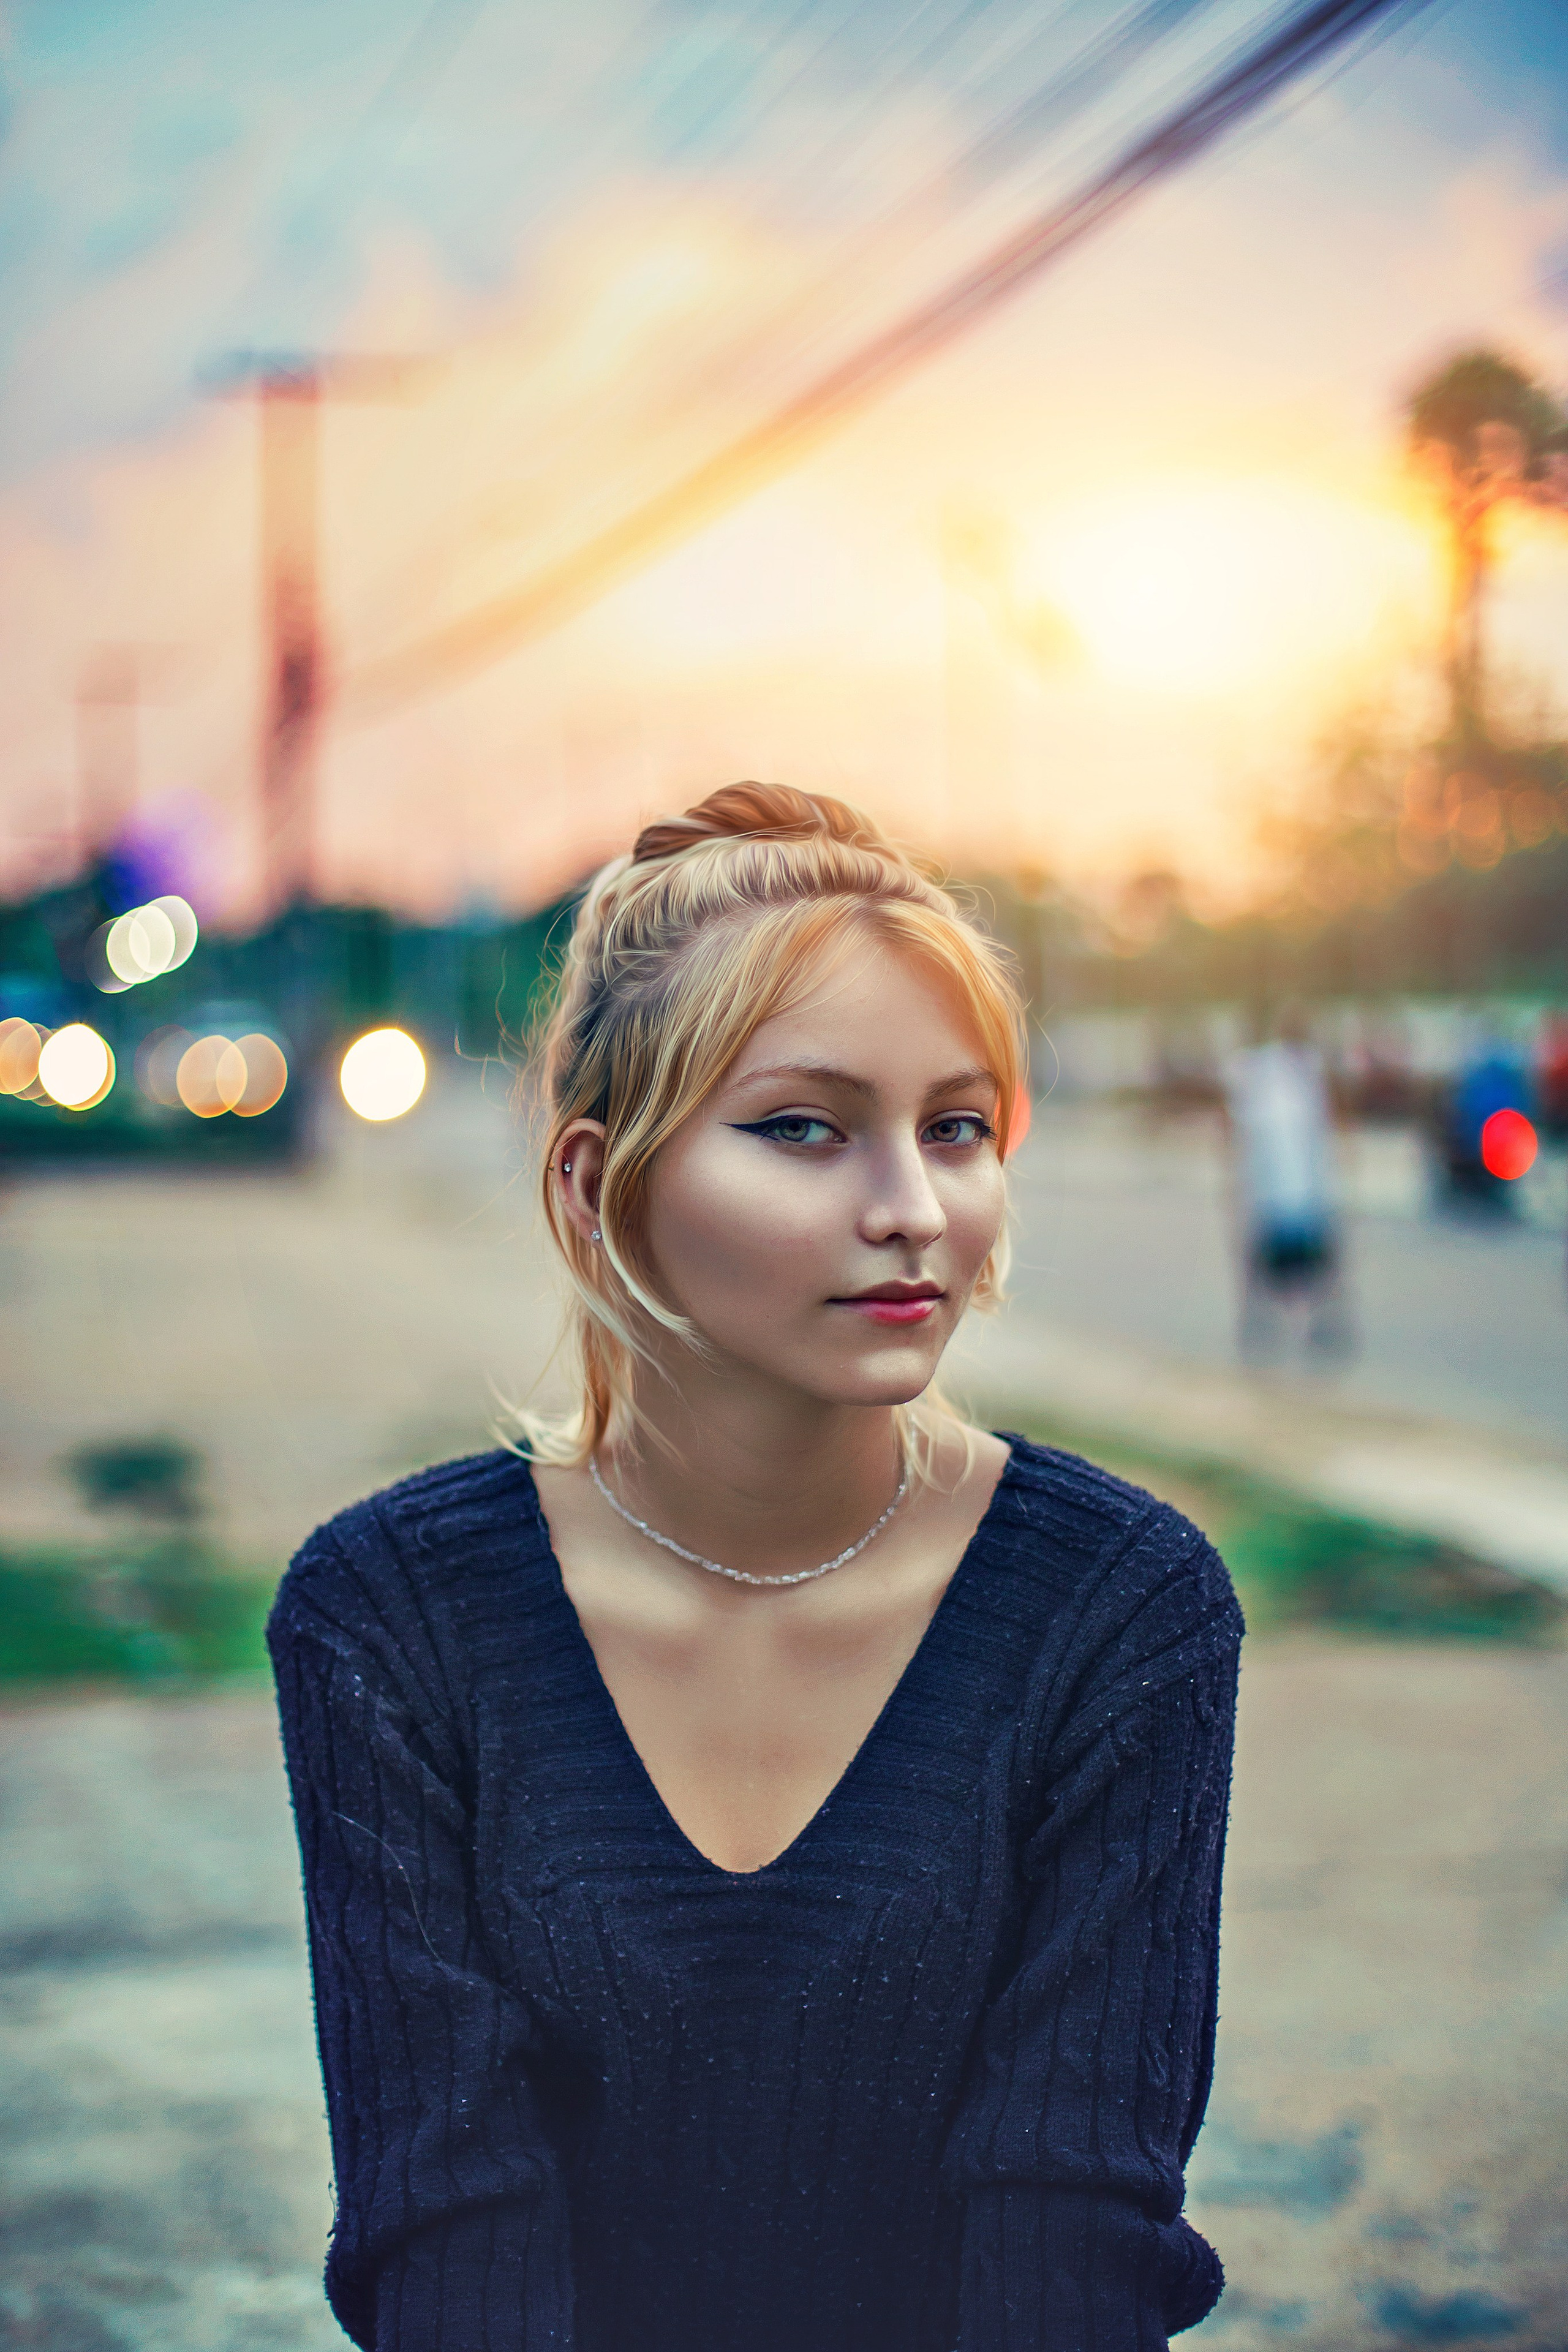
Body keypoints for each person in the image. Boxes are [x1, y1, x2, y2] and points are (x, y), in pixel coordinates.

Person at [269, 783, 1243, 2352]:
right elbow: (446, 2229)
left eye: (958, 1127)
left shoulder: (1120, 1608)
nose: (911, 1208)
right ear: (598, 1184)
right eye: (803, 1125)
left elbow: (1069, 2226)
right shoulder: (389, 1618)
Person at [1223, 1008, 1349, 1359]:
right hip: (1300, 1194)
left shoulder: (1258, 1073)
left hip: (1276, 1195)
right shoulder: (1301, 1073)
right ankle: (1316, 1328)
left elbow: (1239, 1136)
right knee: (1317, 1266)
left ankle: (1263, 1328)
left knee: (1267, 1265)